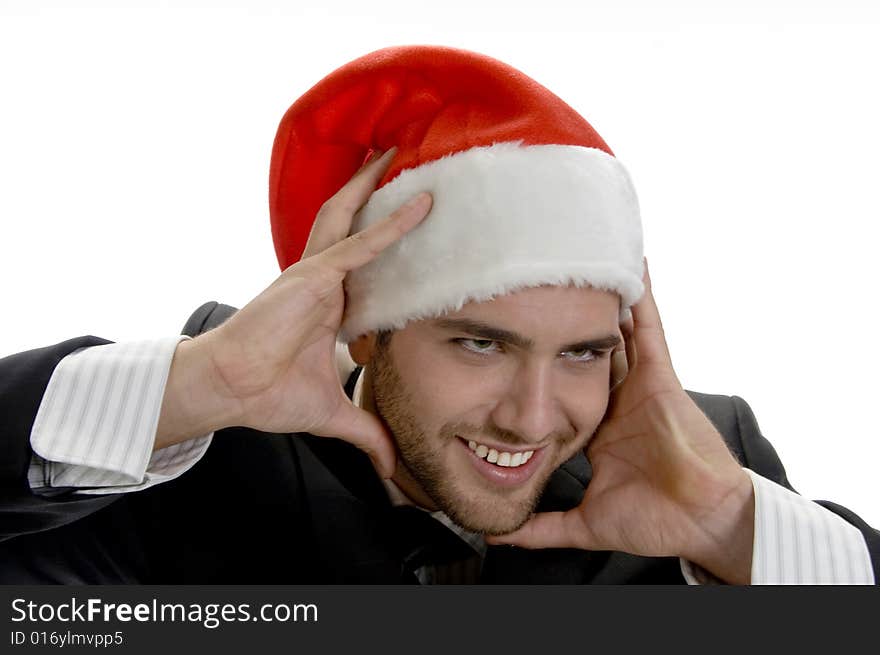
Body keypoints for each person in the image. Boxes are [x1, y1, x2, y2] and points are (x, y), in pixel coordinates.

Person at [0, 46, 876, 584]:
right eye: (480, 342)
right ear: (368, 323)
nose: (533, 418)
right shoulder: (200, 446)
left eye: (581, 353)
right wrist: (200, 384)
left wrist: (731, 528)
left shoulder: (707, 459)